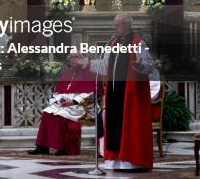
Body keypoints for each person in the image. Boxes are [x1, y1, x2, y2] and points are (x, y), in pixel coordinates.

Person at [72, 13, 155, 171]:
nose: (114, 27)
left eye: (118, 24)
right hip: (114, 92)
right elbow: (104, 66)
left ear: (127, 25)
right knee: (113, 124)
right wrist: (85, 63)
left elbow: (150, 65)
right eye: (114, 24)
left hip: (131, 94)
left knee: (130, 126)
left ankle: (133, 161)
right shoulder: (112, 43)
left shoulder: (138, 42)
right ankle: (115, 160)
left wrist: (141, 66)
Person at [28, 54, 99, 156]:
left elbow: (90, 93)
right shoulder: (67, 72)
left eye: (75, 59)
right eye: (71, 60)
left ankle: (62, 148)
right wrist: (59, 100)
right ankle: (42, 147)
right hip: (64, 103)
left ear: (81, 60)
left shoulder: (89, 73)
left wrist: (73, 101)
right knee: (46, 113)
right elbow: (59, 91)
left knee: (61, 116)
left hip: (80, 104)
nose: (73, 62)